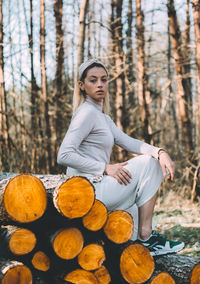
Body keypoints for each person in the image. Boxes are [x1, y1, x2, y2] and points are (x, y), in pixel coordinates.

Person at [57, 58, 184, 256]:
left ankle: (139, 245)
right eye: (93, 80)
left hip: (96, 187)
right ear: (81, 86)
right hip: (87, 192)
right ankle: (146, 238)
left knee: (139, 200)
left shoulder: (102, 117)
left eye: (104, 80)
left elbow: (129, 142)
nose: (100, 84)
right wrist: (105, 167)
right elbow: (64, 155)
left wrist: (160, 151)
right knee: (150, 165)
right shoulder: (86, 113)